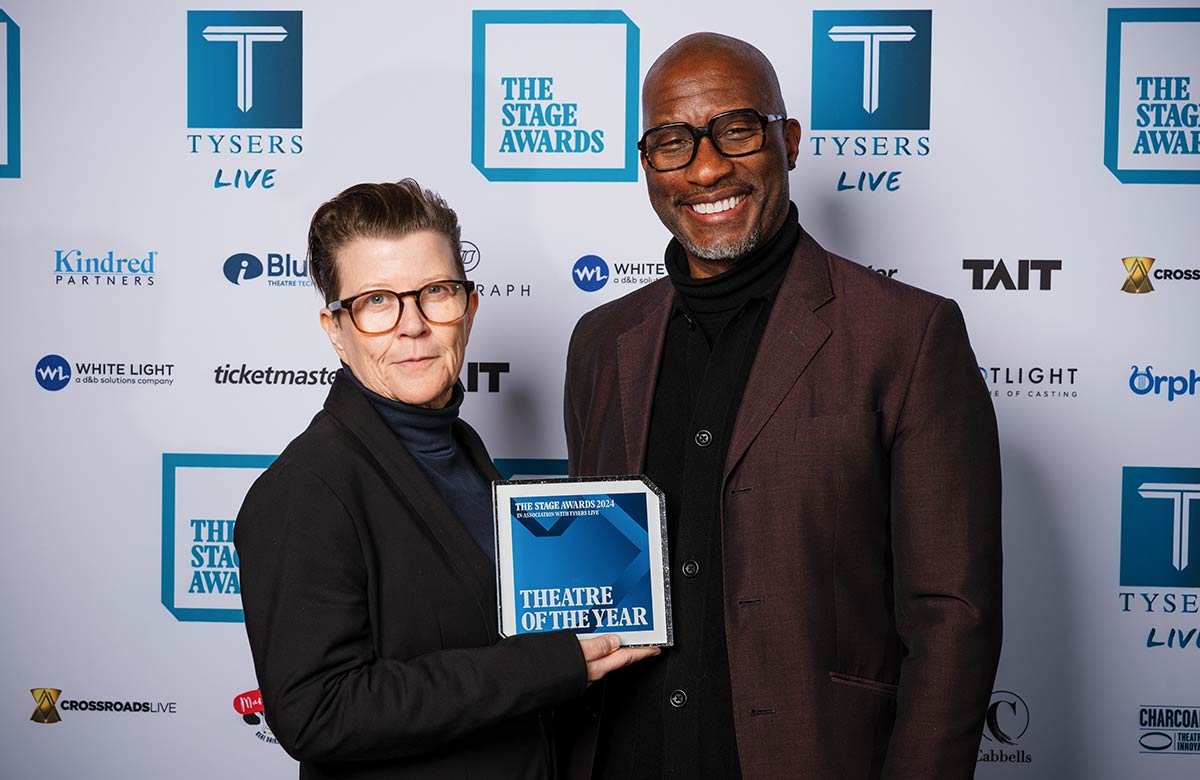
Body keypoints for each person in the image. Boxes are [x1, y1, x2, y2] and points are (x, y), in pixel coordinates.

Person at [562, 34, 1002, 779]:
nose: (706, 168)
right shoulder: (602, 343)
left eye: (735, 130)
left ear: (787, 141)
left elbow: (951, 620)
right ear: (647, 165)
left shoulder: (907, 335)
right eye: (672, 142)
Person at [236, 180, 657, 780]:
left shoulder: (461, 451)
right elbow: (315, 712)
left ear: (469, 307)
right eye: (377, 302)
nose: (412, 326)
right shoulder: (306, 489)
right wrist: (547, 666)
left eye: (434, 292)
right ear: (335, 329)